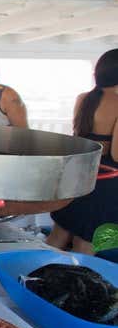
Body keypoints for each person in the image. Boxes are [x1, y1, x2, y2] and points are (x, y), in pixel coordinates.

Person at [47, 49, 118, 255]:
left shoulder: (84, 98)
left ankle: (32, 278)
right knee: (86, 243)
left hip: (79, 175)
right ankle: (73, 285)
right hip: (106, 182)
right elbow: (116, 155)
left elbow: (78, 138)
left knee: (58, 235)